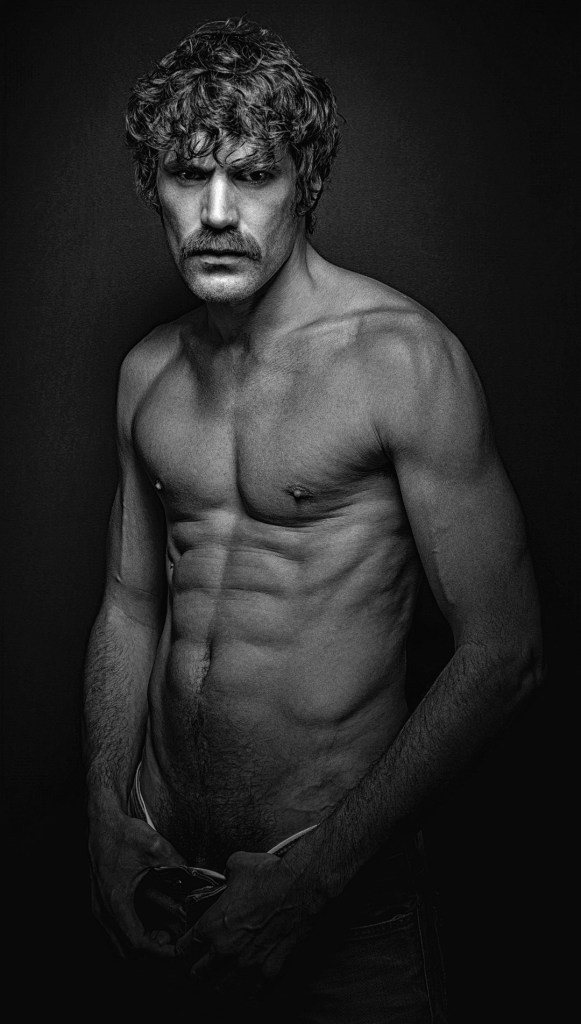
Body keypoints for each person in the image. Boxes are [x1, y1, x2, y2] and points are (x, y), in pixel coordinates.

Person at [83, 16, 544, 1023]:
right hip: (165, 882)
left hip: (335, 895)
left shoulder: (401, 360)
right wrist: (105, 815)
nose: (215, 213)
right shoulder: (147, 373)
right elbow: (129, 604)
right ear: (151, 186)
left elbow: (503, 652)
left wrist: (315, 881)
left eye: (252, 175)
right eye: (187, 175)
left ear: (307, 181)